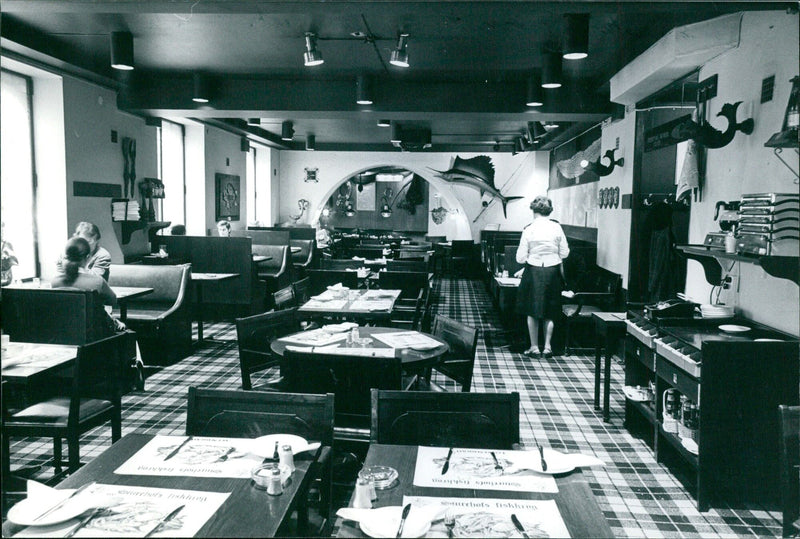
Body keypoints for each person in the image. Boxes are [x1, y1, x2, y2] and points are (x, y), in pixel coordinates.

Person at [515, 196, 570, 358]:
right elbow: (565, 253)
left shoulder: (529, 229)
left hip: (533, 271)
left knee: (532, 310)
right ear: (549, 210)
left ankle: (534, 347)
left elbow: (520, 258)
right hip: (552, 272)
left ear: (533, 210)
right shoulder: (557, 228)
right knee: (550, 310)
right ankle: (547, 347)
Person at [51, 236, 119, 332]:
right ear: (87, 257)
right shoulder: (97, 282)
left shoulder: (55, 282)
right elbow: (113, 301)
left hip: (64, 332)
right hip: (94, 334)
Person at [1, 221, 19, 286]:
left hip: (5, 278)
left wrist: (8, 257)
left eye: (2, 231)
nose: (2, 233)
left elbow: (15, 261)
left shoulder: (7, 244)